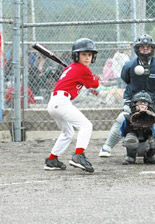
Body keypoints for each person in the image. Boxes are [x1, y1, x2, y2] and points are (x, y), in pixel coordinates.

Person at [44, 38, 99, 173]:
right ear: (76, 55)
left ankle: (52, 160)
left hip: (54, 103)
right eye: (84, 54)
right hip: (61, 102)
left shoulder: (73, 68)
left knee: (68, 132)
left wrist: (90, 83)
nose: (87, 58)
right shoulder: (82, 69)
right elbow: (94, 84)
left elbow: (84, 83)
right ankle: (78, 155)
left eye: (89, 55)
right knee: (86, 126)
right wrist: (96, 80)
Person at [120, 91, 155, 165]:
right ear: (134, 105)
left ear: (149, 106)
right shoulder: (128, 118)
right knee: (131, 140)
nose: (142, 105)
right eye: (139, 103)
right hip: (134, 145)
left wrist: (151, 123)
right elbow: (123, 132)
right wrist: (134, 123)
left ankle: (150, 156)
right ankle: (131, 157)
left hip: (147, 144)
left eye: (145, 103)